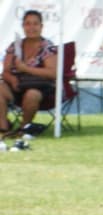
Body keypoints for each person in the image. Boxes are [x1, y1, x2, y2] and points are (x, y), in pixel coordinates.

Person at [0, 10, 57, 138]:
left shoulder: (47, 47)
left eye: (35, 24)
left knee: (32, 94)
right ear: (23, 26)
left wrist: (25, 69)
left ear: (41, 26)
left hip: (39, 88)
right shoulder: (15, 45)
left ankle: (23, 129)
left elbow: (53, 73)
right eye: (28, 24)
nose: (31, 27)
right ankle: (3, 129)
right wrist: (12, 79)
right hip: (16, 87)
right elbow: (5, 71)